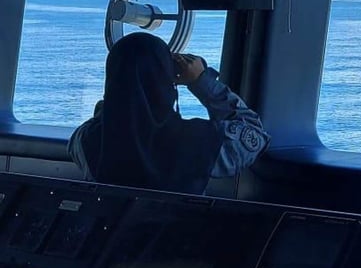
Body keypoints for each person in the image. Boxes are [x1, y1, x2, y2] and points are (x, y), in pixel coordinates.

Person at [69, 32, 269, 194]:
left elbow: (111, 112)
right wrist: (201, 81)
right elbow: (254, 134)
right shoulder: (198, 141)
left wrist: (123, 87)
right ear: (167, 83)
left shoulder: (87, 141)